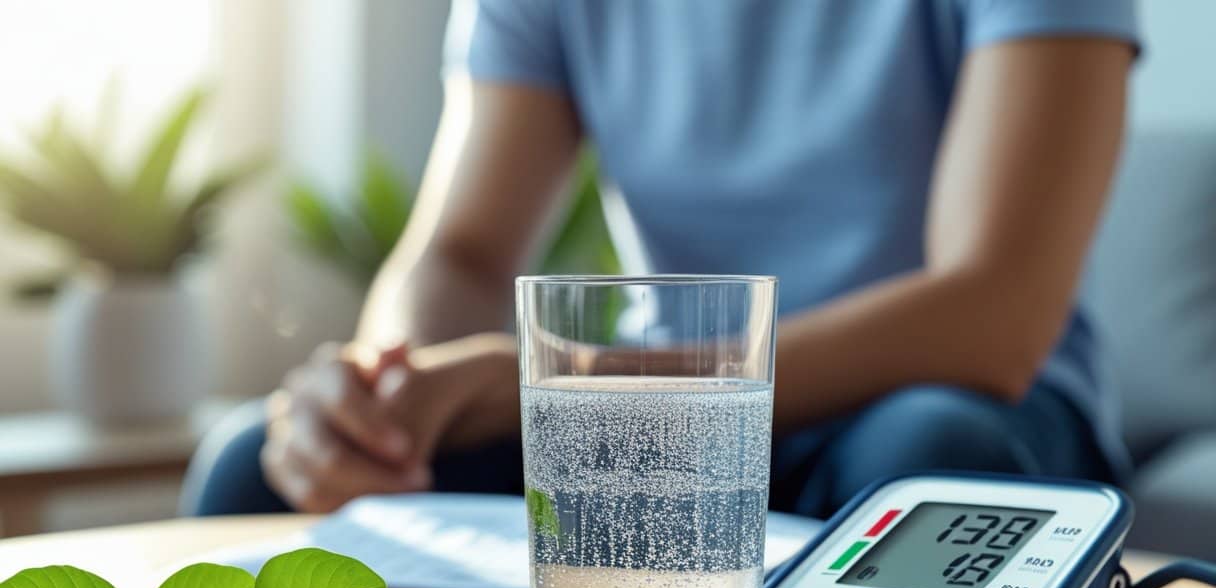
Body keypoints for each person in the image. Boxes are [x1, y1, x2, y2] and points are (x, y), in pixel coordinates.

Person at [182, 0, 1140, 520]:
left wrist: (579, 383)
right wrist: (385, 400)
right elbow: (462, 254)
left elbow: (993, 320)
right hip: (654, 420)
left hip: (944, 406)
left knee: (924, 466)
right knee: (251, 472)